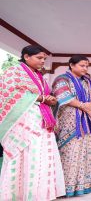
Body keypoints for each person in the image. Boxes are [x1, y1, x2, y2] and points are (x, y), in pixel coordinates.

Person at [0, 45, 65, 200]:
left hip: (41, 120)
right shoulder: (13, 71)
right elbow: (8, 92)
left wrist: (50, 99)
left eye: (44, 58)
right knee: (24, 153)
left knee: (40, 154)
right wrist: (41, 98)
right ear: (26, 56)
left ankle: (39, 193)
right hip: (23, 121)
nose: (43, 61)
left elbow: (44, 95)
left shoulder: (39, 76)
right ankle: (18, 194)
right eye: (39, 58)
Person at [52, 55, 91, 197]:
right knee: (70, 155)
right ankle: (66, 188)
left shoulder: (88, 82)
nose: (85, 68)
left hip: (86, 124)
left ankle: (83, 186)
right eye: (82, 65)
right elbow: (64, 97)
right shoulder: (62, 79)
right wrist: (85, 107)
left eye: (87, 66)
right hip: (70, 125)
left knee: (86, 153)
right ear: (71, 65)